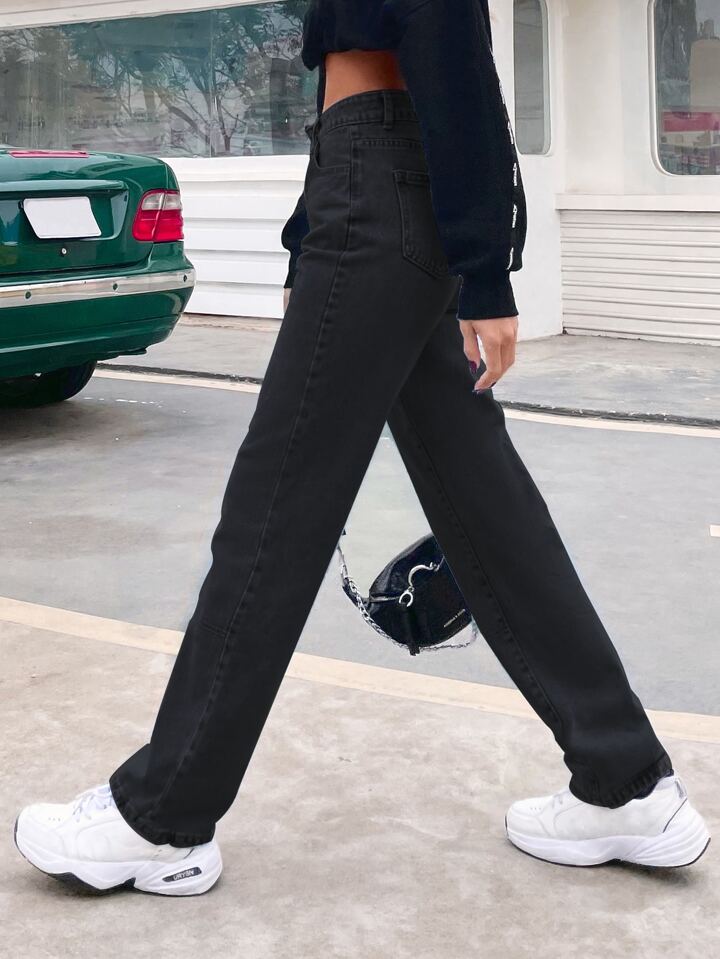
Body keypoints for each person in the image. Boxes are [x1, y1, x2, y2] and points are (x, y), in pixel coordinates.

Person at [15, 0, 709, 895]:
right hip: (378, 186)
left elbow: (446, 38)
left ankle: (163, 815)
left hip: (380, 195)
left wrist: (485, 271)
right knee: (487, 508)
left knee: (276, 507)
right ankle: (627, 780)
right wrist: (322, 224)